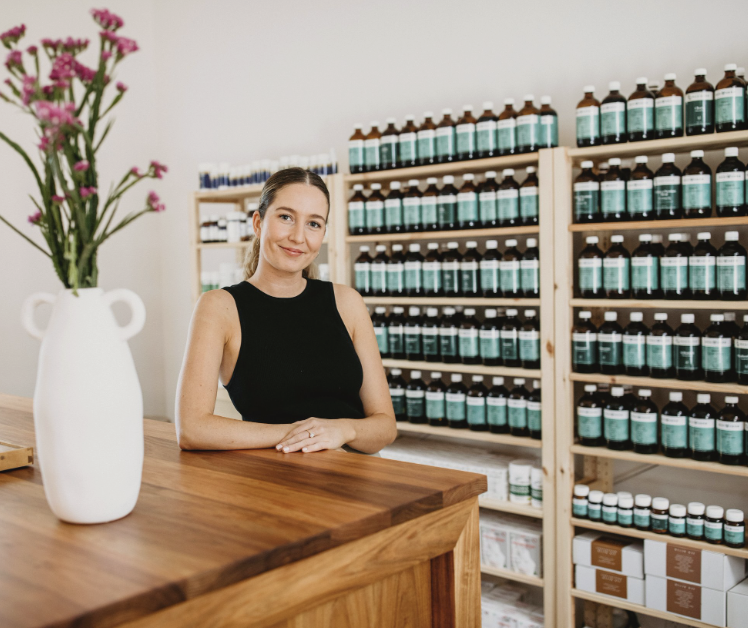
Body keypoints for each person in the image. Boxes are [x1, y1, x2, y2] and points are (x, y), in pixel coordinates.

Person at [175, 167, 396, 456]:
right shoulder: (219, 307)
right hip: (275, 479)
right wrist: (308, 433)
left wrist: (344, 429)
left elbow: (385, 426)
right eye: (286, 217)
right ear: (258, 223)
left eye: (314, 224)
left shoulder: (347, 302)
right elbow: (192, 429)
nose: (298, 236)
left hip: (357, 476)